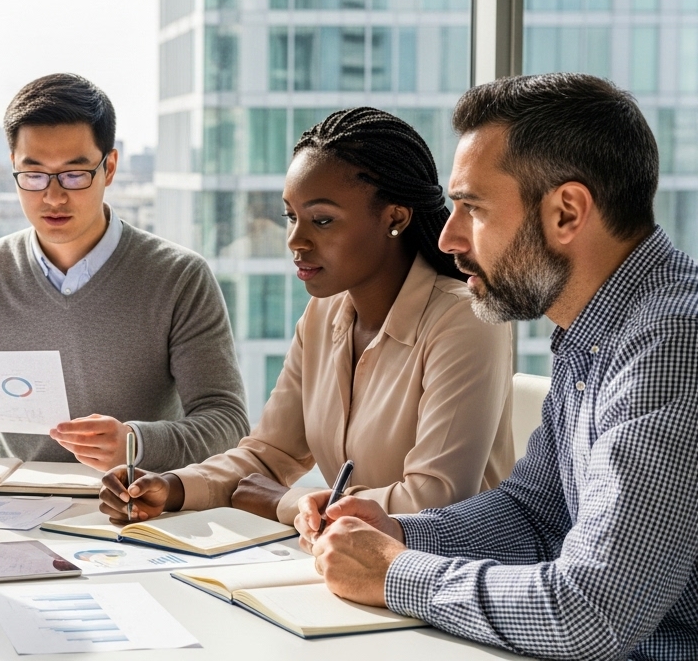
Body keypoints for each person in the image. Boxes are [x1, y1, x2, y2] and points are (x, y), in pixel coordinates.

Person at [298, 73, 698, 660]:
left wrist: (396, 573)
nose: (451, 237)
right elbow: (534, 514)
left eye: (472, 208)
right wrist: (398, 531)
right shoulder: (595, 333)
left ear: (566, 212)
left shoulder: (671, 344)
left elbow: (590, 613)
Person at [99, 108, 514, 525]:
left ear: (395, 218)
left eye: (322, 220)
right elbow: (270, 454)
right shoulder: (324, 313)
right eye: (291, 217)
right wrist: (172, 487)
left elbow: (434, 501)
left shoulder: (465, 320)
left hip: (447, 575)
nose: (296, 240)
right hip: (349, 564)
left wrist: (284, 503)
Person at [0, 73, 249, 472]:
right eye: (34, 175)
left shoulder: (179, 277)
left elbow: (227, 420)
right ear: (13, 167)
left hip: (138, 505)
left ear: (109, 167)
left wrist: (137, 443)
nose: (53, 197)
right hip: (16, 507)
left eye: (74, 174)